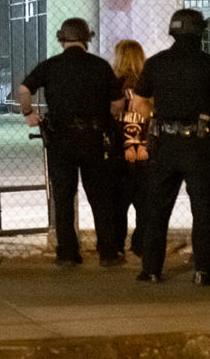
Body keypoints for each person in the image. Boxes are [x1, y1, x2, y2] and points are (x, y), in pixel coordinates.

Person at [136, 8, 210, 286]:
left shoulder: (156, 62)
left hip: (165, 144)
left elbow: (139, 101)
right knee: (201, 211)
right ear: (199, 32)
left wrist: (154, 118)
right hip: (198, 146)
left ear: (173, 32)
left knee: (157, 210)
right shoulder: (208, 63)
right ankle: (203, 271)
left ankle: (151, 271)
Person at [18, 17, 125, 267]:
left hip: (60, 139)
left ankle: (67, 253)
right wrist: (108, 116)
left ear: (61, 39)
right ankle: (108, 252)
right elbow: (118, 104)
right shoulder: (100, 66)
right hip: (92, 138)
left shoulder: (50, 66)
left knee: (64, 197)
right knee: (100, 197)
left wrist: (28, 114)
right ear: (87, 39)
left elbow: (25, 89)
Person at [111, 39, 152, 260]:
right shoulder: (147, 85)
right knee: (145, 202)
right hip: (145, 151)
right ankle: (142, 243)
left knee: (118, 203)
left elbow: (118, 116)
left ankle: (117, 245)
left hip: (120, 150)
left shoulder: (114, 84)